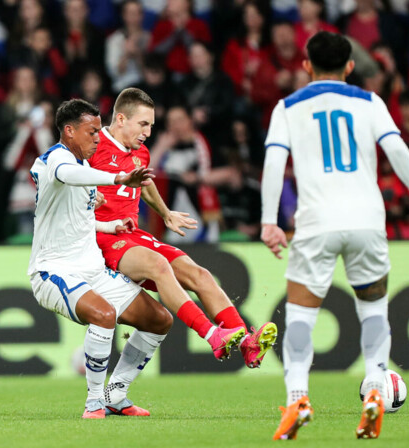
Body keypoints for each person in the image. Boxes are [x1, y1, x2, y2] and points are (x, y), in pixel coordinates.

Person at [260, 31, 409, 440]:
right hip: (367, 220)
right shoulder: (369, 102)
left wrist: (269, 221)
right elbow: (397, 149)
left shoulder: (288, 107)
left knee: (301, 316)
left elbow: (274, 162)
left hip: (316, 222)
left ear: (306, 65)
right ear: (349, 66)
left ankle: (298, 399)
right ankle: (376, 388)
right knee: (374, 310)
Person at [88, 88, 278, 367]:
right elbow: (63, 179)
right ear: (120, 119)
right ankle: (213, 336)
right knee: (159, 264)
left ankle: (246, 342)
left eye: (151, 125)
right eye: (143, 124)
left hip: (133, 236)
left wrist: (165, 213)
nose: (148, 133)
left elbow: (145, 182)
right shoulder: (92, 146)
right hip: (104, 238)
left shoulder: (140, 152)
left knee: (199, 274)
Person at [27, 98, 171, 419]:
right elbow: (66, 174)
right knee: (104, 315)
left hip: (93, 271)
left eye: (97, 131)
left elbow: (81, 218)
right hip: (53, 272)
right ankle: (94, 402)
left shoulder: (85, 170)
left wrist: (111, 225)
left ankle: (115, 394)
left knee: (159, 320)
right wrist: (118, 179)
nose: (97, 138)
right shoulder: (56, 159)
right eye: (91, 132)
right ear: (69, 131)